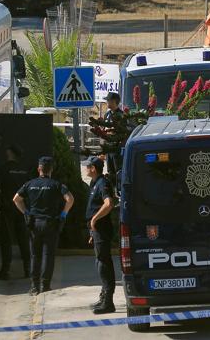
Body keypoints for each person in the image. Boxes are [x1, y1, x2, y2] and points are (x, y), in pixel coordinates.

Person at [13, 157, 74, 295]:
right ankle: (45, 285)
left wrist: (26, 212)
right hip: (51, 223)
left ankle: (34, 286)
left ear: (38, 169)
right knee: (48, 255)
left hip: (34, 224)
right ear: (51, 169)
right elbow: (70, 199)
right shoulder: (57, 184)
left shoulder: (29, 184)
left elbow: (16, 199)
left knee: (35, 255)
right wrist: (64, 213)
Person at [0, 145, 32, 280]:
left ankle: (5, 270)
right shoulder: (25, 169)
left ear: (10, 153)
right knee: (23, 239)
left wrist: (0, 197)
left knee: (6, 239)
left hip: (7, 208)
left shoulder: (3, 168)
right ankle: (27, 270)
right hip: (22, 208)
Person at [83, 156, 116, 314]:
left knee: (104, 264)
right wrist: (92, 229)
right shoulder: (94, 183)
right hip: (97, 230)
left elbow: (109, 203)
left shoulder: (102, 183)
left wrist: (95, 219)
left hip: (102, 229)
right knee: (100, 263)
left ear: (93, 168)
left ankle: (108, 301)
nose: (86, 168)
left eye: (87, 166)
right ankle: (104, 297)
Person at [103, 92, 123, 185]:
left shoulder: (121, 115)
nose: (107, 102)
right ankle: (112, 193)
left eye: (108, 100)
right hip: (108, 148)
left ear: (114, 101)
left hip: (116, 149)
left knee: (118, 171)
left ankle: (119, 192)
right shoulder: (107, 114)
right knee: (110, 171)